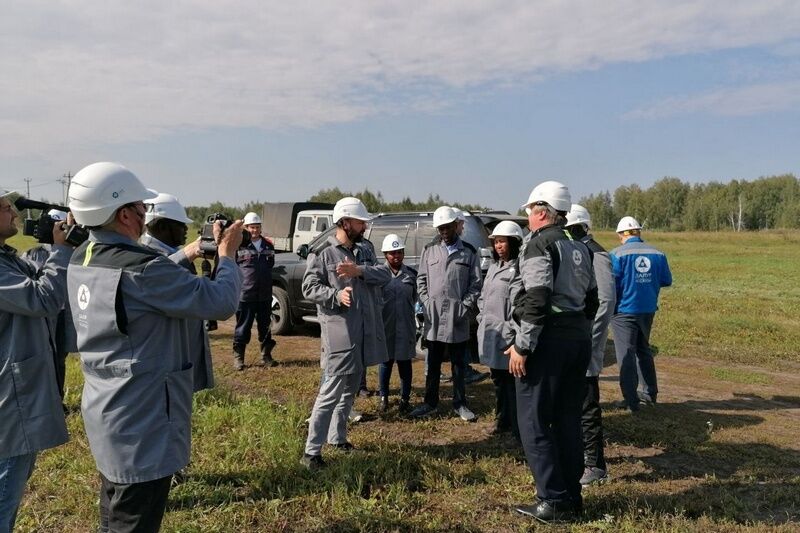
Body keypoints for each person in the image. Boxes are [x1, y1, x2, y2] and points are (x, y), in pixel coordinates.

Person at [66, 162, 242, 532]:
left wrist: (189, 251)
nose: (146, 217)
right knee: (134, 521)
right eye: (142, 208)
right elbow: (220, 301)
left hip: (109, 411)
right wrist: (227, 255)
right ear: (125, 214)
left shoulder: (81, 257)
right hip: (144, 421)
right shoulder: (144, 270)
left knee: (113, 515)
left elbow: (147, 279)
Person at [507, 181, 598, 523]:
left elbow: (538, 298)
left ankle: (552, 500)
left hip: (549, 341)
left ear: (542, 211)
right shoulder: (580, 246)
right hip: (578, 337)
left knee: (534, 420)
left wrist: (522, 344)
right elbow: (592, 299)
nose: (528, 217)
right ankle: (572, 496)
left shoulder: (540, 244)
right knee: (567, 419)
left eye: (530, 211)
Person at [300, 197, 389, 470]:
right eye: (360, 221)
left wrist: (359, 271)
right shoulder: (324, 253)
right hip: (340, 335)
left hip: (361, 333)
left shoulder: (362, 251)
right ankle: (311, 452)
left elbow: (385, 275)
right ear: (345, 222)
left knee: (350, 390)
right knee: (331, 391)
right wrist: (336, 294)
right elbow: (308, 287)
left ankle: (337, 438)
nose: (364, 226)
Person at [0, 190, 71, 533]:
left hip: (16, 393)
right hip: (9, 401)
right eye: (5, 208)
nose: (13, 213)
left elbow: (40, 276)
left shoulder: (7, 257)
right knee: (4, 490)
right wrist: (61, 251)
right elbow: (43, 298)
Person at [411, 206, 482, 422]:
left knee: (459, 364)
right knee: (433, 364)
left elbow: (475, 284)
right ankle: (430, 402)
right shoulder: (429, 249)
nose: (443, 232)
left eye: (447, 227)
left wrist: (465, 306)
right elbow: (421, 279)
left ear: (455, 226)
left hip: (457, 318)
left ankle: (460, 404)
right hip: (434, 319)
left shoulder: (469, 252)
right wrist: (426, 301)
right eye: (440, 228)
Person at [141, 191, 215, 392]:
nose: (186, 229)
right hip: (164, 367)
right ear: (163, 225)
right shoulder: (147, 255)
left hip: (178, 359)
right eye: (181, 224)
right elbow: (153, 274)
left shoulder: (171, 254)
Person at [565, 204, 616, 485]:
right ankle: (581, 455)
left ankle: (595, 465)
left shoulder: (596, 253)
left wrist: (589, 338)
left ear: (578, 227)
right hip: (574, 340)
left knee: (587, 404)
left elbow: (605, 302)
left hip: (586, 341)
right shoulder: (577, 250)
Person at [609, 216, 672, 411]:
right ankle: (649, 394)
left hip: (623, 312)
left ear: (622, 234)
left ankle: (630, 400)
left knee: (626, 354)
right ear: (638, 232)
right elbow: (666, 280)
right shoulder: (658, 253)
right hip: (647, 310)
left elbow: (612, 284)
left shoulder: (616, 254)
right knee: (643, 351)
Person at [20, 209, 77, 401]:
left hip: (62, 314)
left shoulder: (72, 253)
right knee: (44, 359)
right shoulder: (33, 254)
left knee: (59, 358)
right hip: (43, 315)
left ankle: (58, 399)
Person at [477, 220, 523, 438]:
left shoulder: (519, 269)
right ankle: (502, 420)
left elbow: (518, 305)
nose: (498, 246)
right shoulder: (495, 267)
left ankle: (516, 428)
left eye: (502, 241)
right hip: (491, 333)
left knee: (512, 385)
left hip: (507, 337)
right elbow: (484, 296)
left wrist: (511, 330)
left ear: (513, 243)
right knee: (498, 382)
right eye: (496, 242)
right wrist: (481, 317)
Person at [233, 211, 278, 370]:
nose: (255, 230)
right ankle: (239, 359)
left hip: (265, 294)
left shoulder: (268, 245)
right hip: (245, 294)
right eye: (252, 227)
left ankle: (266, 356)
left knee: (265, 327)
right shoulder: (239, 245)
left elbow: (270, 264)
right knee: (242, 327)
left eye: (257, 227)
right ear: (245, 228)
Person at [377, 234, 417, 413]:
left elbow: (415, 297)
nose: (396, 256)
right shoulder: (379, 274)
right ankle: (384, 396)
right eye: (392, 253)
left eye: (400, 252)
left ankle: (405, 398)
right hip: (385, 326)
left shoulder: (411, 275)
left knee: (404, 363)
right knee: (386, 362)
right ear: (386, 254)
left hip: (405, 327)